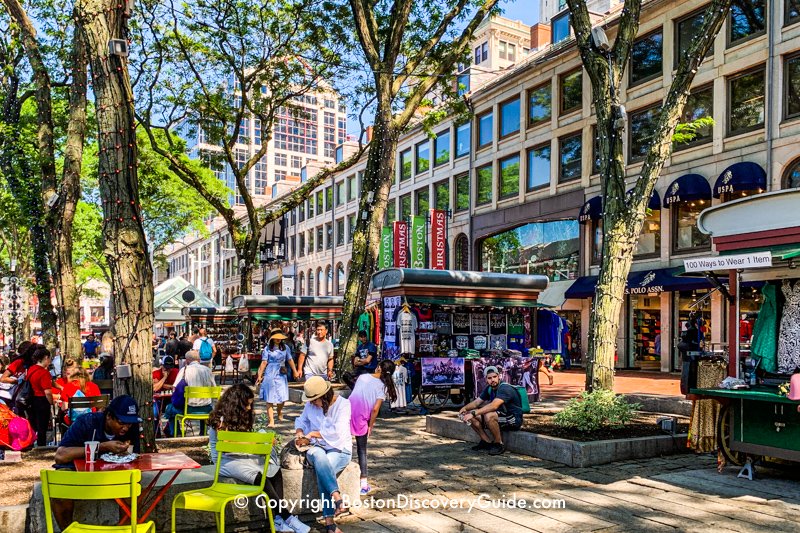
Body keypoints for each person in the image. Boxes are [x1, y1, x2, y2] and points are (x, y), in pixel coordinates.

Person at [208, 384, 310, 533]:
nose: (249, 408)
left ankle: (278, 519)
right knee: (260, 477)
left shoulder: (240, 417)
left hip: (240, 456)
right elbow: (228, 445)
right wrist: (257, 441)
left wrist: (261, 442)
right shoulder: (220, 419)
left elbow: (241, 443)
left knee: (274, 470)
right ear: (237, 403)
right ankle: (287, 517)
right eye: (247, 405)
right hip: (225, 461)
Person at [53, 395, 142, 529]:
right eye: (121, 422)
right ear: (108, 416)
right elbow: (60, 456)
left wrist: (126, 452)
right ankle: (67, 530)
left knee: (134, 488)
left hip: (112, 474)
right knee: (59, 488)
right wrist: (102, 446)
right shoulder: (87, 422)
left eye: (129, 423)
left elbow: (135, 457)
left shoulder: (132, 428)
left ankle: (127, 529)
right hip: (77, 472)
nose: (126, 427)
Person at [294, 377, 352, 533]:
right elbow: (302, 421)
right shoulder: (310, 406)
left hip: (339, 448)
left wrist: (313, 434)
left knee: (324, 469)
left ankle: (329, 521)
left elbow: (338, 433)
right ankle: (338, 499)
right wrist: (300, 432)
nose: (312, 403)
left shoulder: (343, 405)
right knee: (320, 458)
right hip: (316, 447)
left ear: (324, 396)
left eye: (314, 400)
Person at [349, 360, 396, 495]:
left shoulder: (363, 377)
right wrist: (371, 425)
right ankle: (363, 483)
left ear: (379, 368)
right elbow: (375, 409)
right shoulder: (382, 387)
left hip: (348, 411)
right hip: (363, 416)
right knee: (361, 450)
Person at [459, 366, 523, 456]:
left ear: (498, 376)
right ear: (486, 379)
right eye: (489, 378)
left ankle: (498, 444)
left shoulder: (505, 388)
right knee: (469, 415)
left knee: (489, 415)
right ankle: (486, 442)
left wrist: (473, 413)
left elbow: (493, 406)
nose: (492, 380)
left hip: (513, 419)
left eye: (494, 377)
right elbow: (477, 402)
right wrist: (464, 409)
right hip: (501, 416)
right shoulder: (489, 388)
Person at [164, 350, 216, 437]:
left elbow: (175, 388)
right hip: (207, 409)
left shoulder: (184, 370)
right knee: (202, 403)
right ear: (198, 360)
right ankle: (202, 432)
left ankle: (176, 433)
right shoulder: (208, 370)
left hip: (188, 409)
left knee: (169, 408)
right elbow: (214, 389)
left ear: (187, 360)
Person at [256, 332, 299, 428]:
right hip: (270, 372)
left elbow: (290, 360)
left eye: (280, 338)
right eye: (276, 337)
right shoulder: (267, 348)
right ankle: (271, 420)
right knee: (269, 397)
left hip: (281, 372)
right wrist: (259, 375)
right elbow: (264, 362)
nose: (278, 339)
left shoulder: (285, 348)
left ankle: (279, 411)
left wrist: (295, 371)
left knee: (282, 395)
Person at [27, 347, 55, 446]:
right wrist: (51, 402)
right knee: (42, 427)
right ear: (46, 358)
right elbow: (47, 392)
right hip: (42, 401)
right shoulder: (44, 373)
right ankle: (41, 446)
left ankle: (30, 444)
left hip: (32, 399)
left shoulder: (31, 369)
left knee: (34, 424)